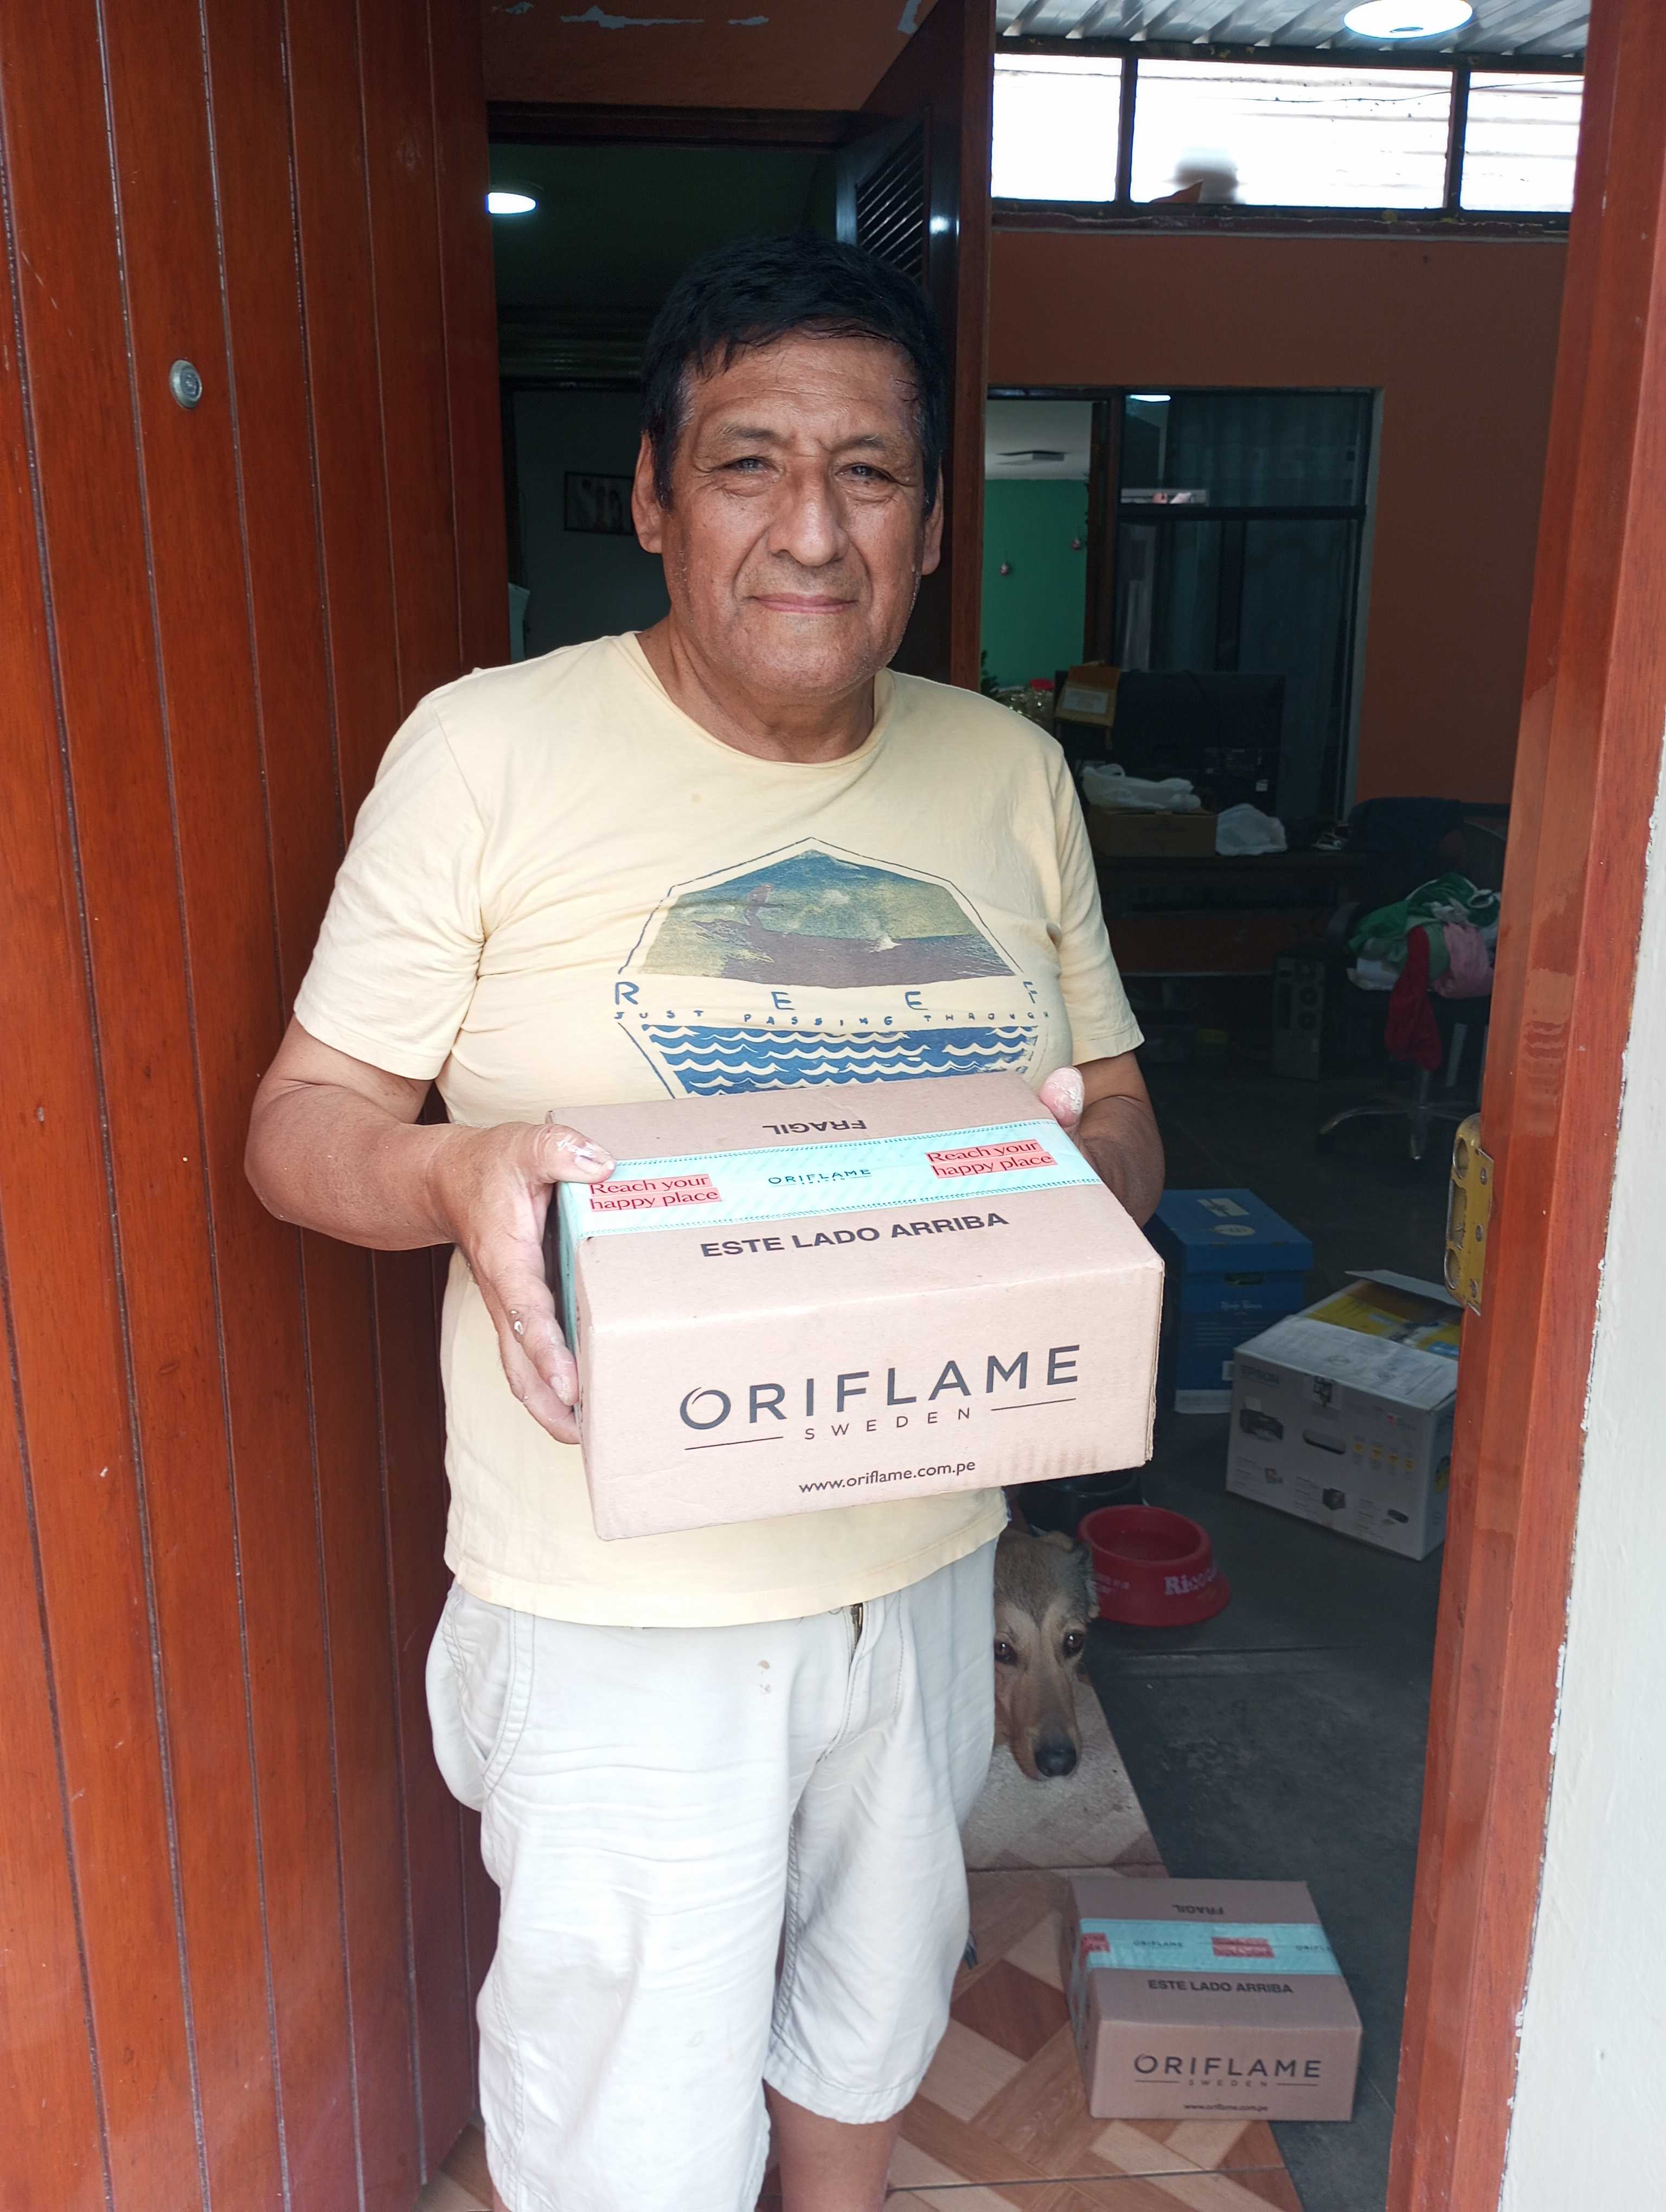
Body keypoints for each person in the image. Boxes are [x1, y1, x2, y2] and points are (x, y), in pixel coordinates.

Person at [245, 232, 1163, 2212]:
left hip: (926, 1549)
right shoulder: (486, 751)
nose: (812, 530)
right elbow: (300, 1130)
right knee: (628, 2115)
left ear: (932, 520)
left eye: (870, 472)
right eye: (751, 464)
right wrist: (451, 1172)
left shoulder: (1010, 774)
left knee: (874, 2009)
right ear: (656, 500)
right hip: (620, 1595)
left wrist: (1054, 1197)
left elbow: (1123, 1116)